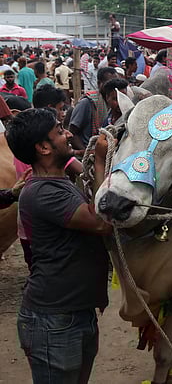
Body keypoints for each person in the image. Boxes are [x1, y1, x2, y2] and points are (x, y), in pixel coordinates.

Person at [5, 107, 111, 384]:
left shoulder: (58, 182)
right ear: (43, 147)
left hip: (74, 313)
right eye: (59, 131)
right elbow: (100, 221)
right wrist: (99, 161)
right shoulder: (43, 192)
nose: (67, 135)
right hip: (54, 320)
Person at [69, 67, 118, 153]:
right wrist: (86, 152)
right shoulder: (87, 103)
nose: (112, 88)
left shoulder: (115, 103)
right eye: (108, 84)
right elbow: (73, 132)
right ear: (99, 84)